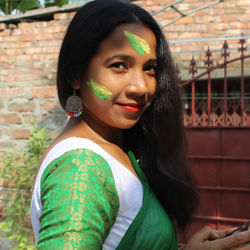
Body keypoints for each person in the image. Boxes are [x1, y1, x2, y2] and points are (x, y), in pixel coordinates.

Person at [30, 0, 250, 249]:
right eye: (119, 65)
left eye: (150, 69)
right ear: (76, 75)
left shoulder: (116, 149)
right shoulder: (81, 166)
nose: (141, 87)